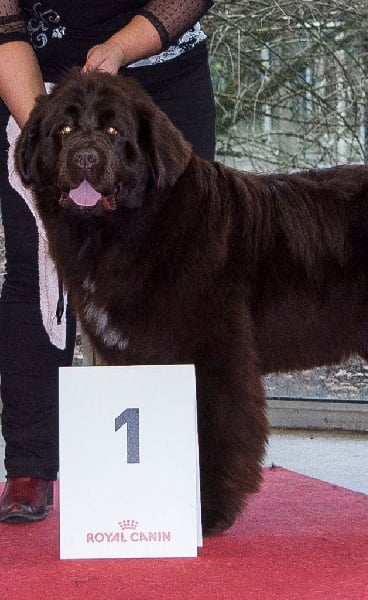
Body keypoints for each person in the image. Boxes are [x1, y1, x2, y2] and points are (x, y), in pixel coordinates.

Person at [0, 0, 216, 523]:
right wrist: (51, 139)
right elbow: (4, 29)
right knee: (34, 272)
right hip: (43, 91)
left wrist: (120, 47)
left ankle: (185, 463)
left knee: (182, 280)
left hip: (160, 82)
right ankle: (29, 466)